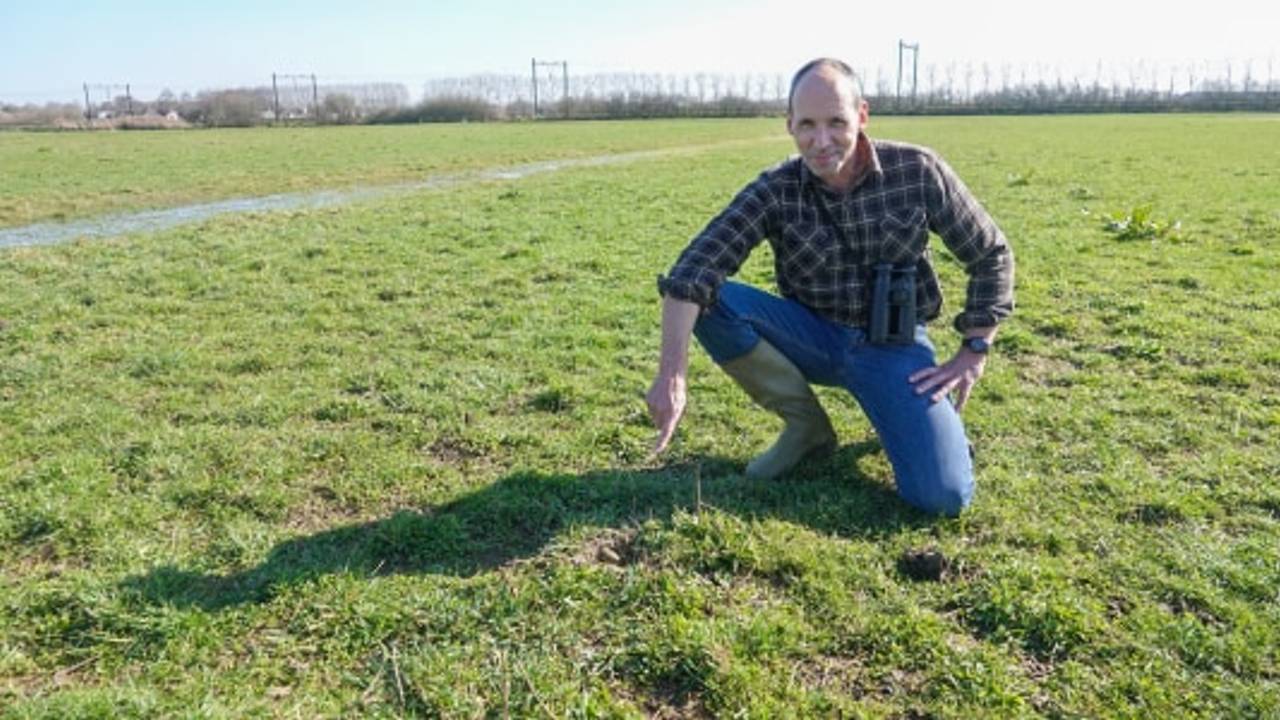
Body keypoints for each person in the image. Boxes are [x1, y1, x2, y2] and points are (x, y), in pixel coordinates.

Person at [645, 58, 1014, 516]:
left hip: (893, 351)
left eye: (837, 122)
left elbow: (991, 253)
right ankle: (807, 427)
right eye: (807, 125)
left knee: (942, 497)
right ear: (790, 126)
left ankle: (920, 427)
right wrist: (672, 376)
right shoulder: (775, 190)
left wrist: (974, 347)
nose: (822, 141)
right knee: (711, 300)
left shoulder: (917, 170)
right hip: (811, 336)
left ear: (862, 115)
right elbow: (691, 273)